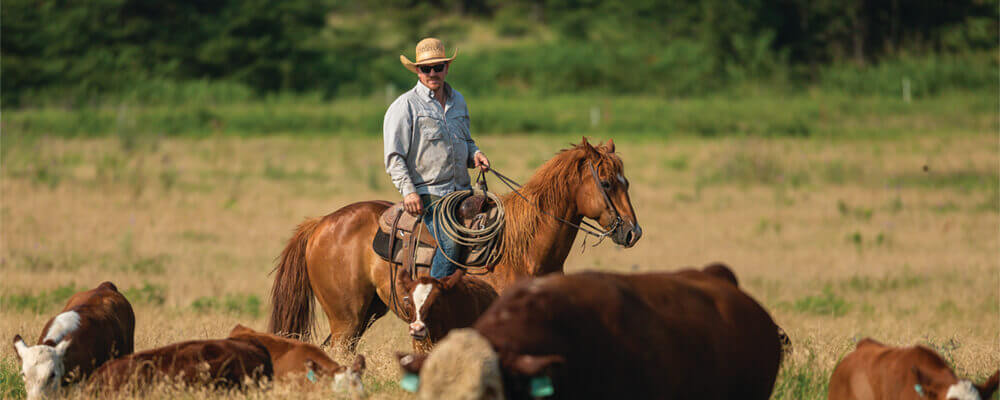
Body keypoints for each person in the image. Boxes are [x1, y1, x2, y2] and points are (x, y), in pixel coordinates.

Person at [384, 37, 490, 279]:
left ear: (447, 68)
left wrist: (476, 154)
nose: (432, 73)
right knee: (451, 243)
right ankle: (432, 301)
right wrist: (409, 192)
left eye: (438, 67)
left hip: (462, 189)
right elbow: (394, 157)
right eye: (426, 68)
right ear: (418, 71)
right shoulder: (405, 106)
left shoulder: (459, 101)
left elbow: (466, 141)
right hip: (430, 193)